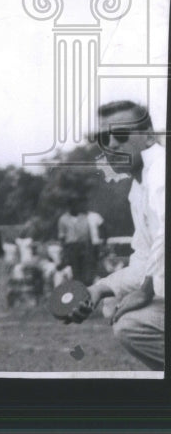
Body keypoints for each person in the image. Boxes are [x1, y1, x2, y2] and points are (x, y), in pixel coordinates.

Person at [68, 101, 164, 370]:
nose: (111, 144)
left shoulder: (161, 173)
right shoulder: (139, 186)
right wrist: (100, 288)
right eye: (103, 137)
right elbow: (145, 259)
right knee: (117, 308)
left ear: (148, 137)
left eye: (121, 135)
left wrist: (145, 292)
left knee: (133, 324)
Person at [57, 198, 94, 285]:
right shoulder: (63, 219)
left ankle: (85, 287)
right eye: (71, 205)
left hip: (83, 246)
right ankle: (76, 288)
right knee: (74, 270)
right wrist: (64, 252)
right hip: (71, 246)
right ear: (68, 207)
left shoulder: (84, 217)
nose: (74, 207)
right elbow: (62, 236)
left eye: (76, 205)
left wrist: (89, 247)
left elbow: (88, 234)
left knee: (85, 270)